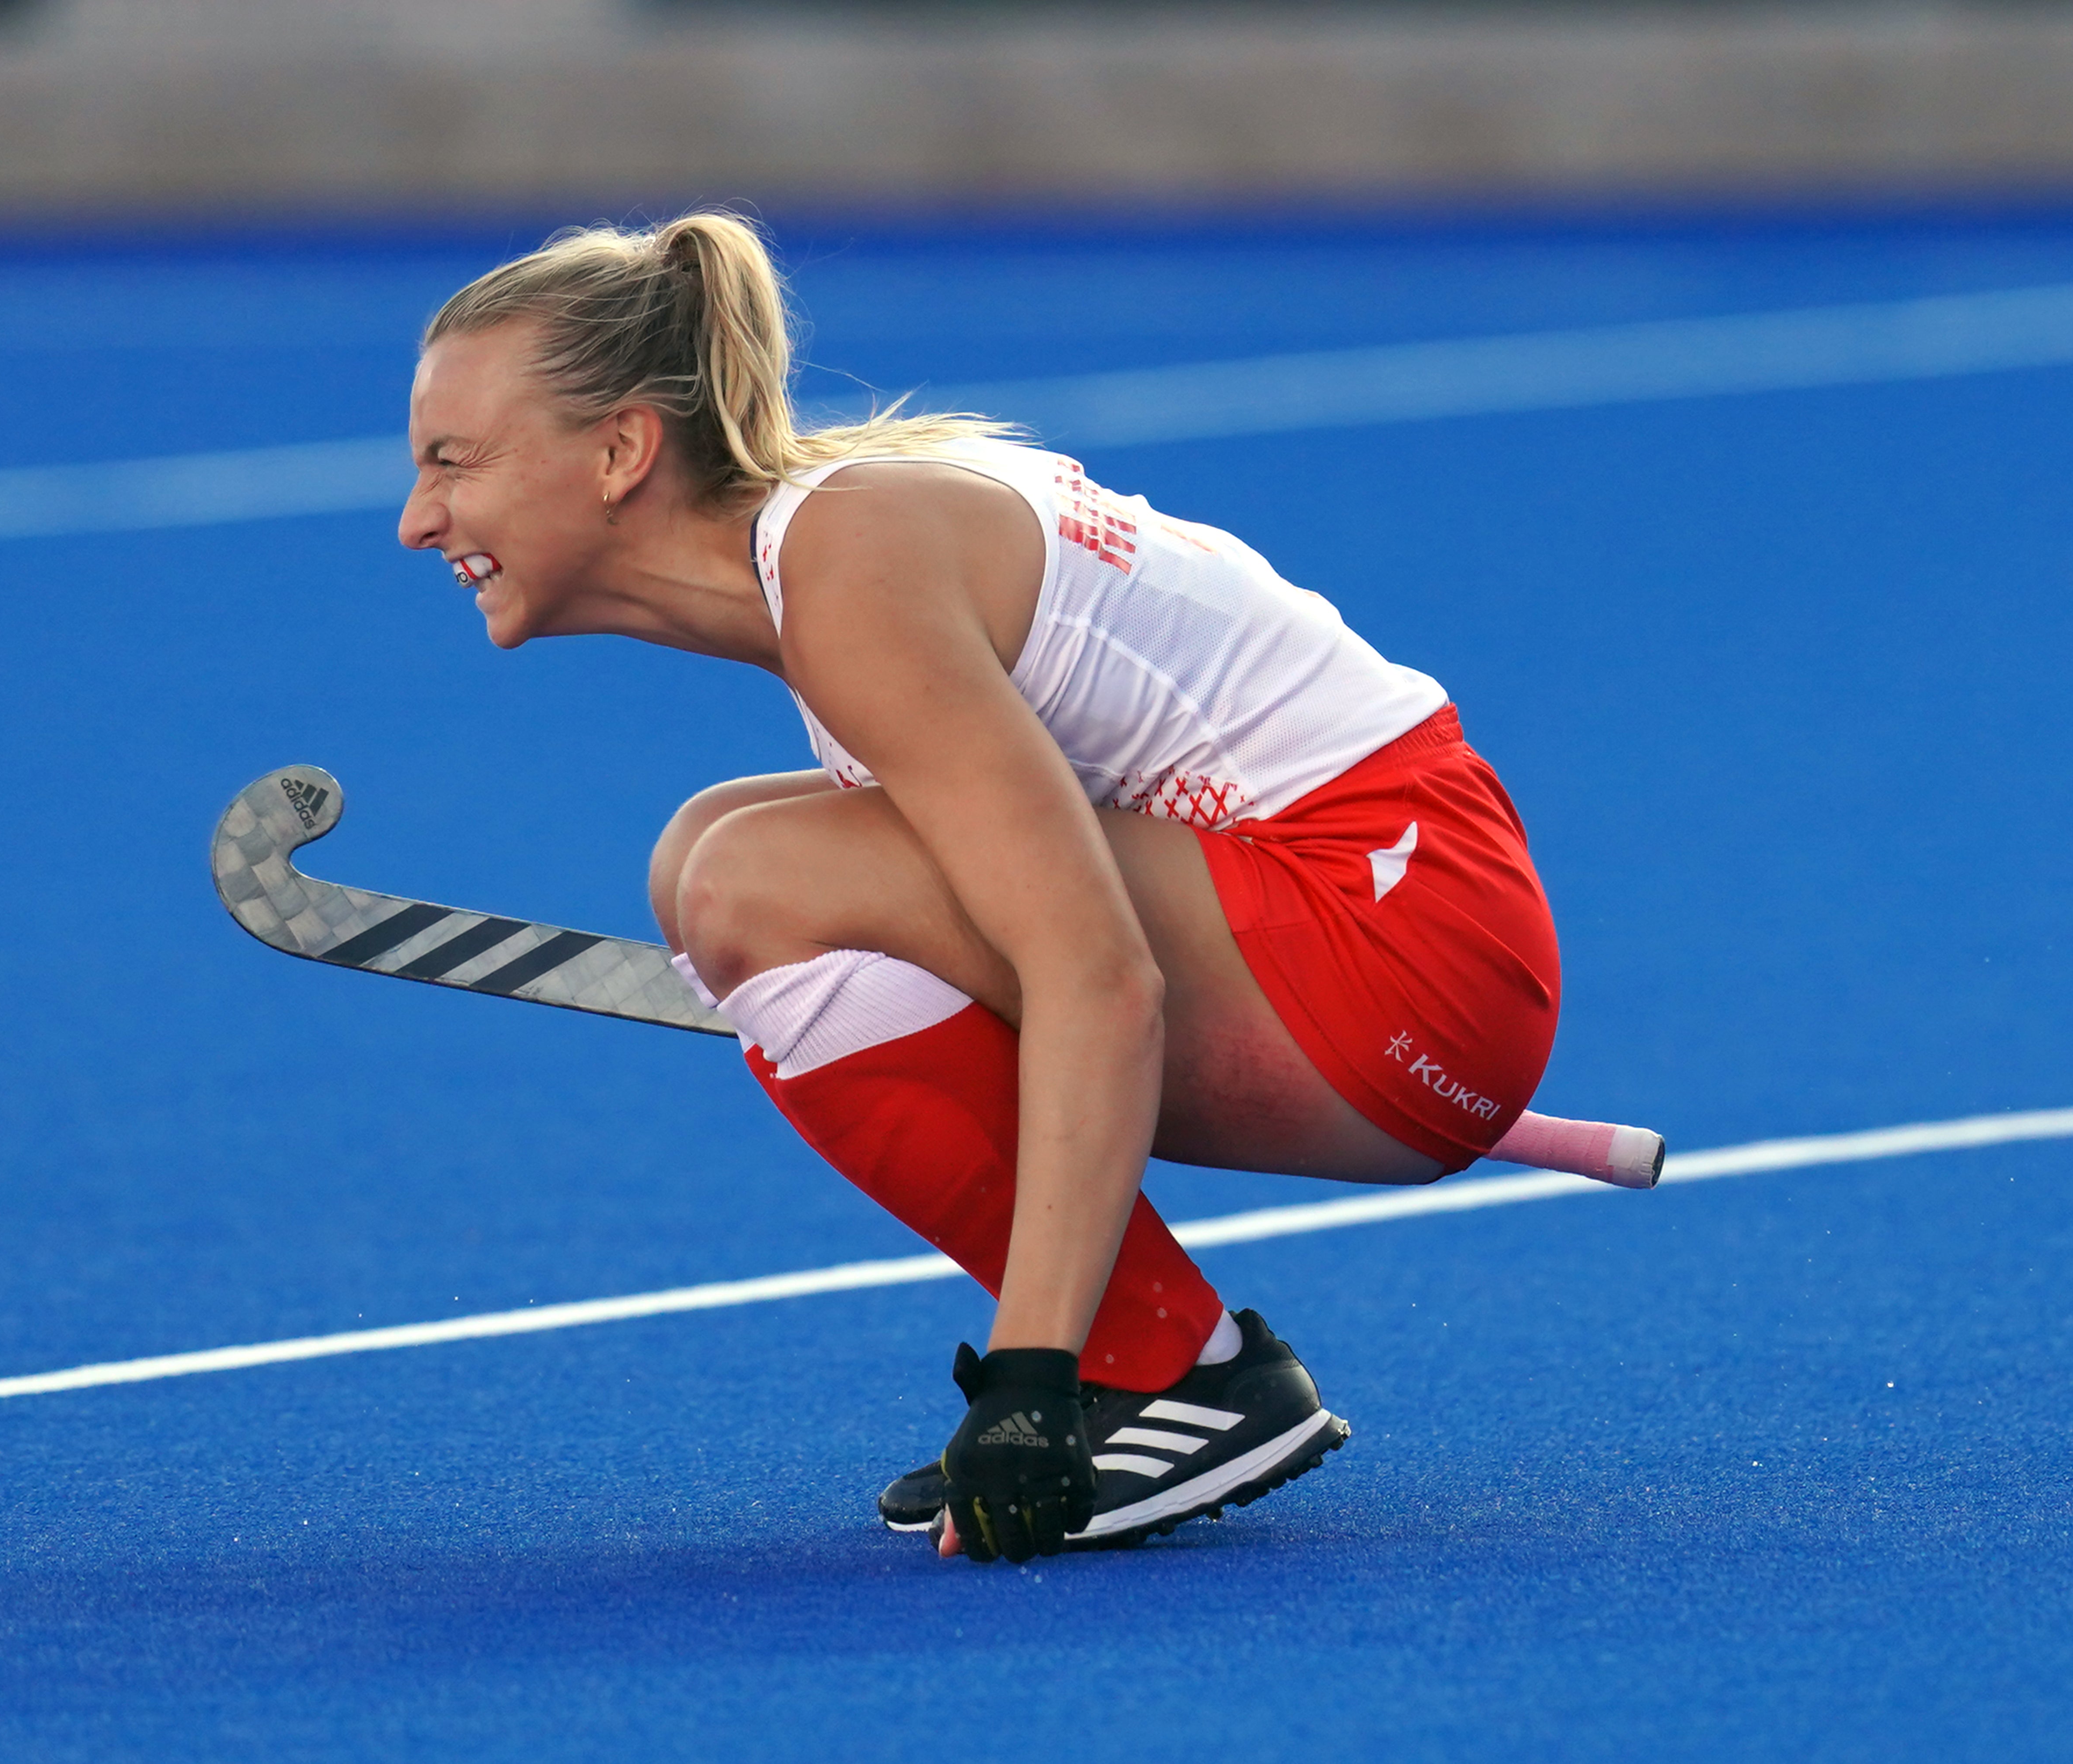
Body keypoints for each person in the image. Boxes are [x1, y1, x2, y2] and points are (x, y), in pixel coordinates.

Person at [396, 212, 1562, 1566]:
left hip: (1407, 961)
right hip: (1384, 939)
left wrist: (1028, 1378)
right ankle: (1163, 1358)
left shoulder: (853, 573)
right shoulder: (833, 537)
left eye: (453, 463)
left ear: (620, 451)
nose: (420, 519)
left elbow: (1098, 976)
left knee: (752, 882)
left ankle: (1166, 1366)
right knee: (708, 851)